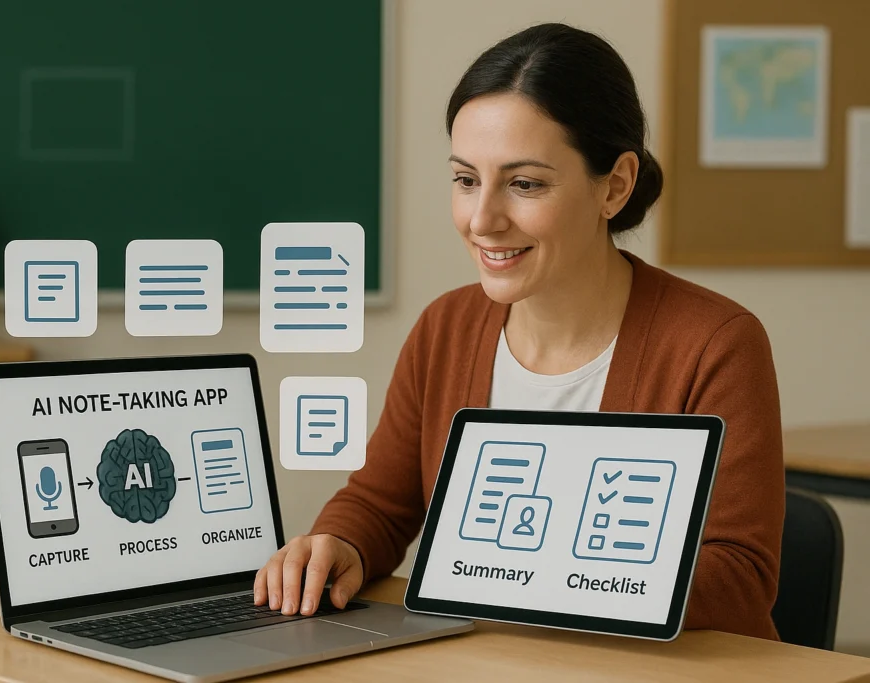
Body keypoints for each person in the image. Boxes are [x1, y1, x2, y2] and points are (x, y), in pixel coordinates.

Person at [253, 22, 785, 640]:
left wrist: (524, 576)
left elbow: (741, 577)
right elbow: (382, 503)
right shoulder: (446, 328)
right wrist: (339, 542)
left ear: (614, 185)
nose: (482, 219)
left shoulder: (716, 342)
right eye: (465, 179)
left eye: (525, 183)